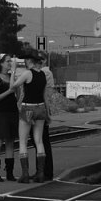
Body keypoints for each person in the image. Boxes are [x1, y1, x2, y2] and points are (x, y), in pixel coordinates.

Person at [12, 49, 50, 183]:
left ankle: (25, 174)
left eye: (26, 60)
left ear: (29, 61)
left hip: (28, 108)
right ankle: (40, 174)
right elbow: (45, 96)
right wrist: (48, 111)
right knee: (39, 141)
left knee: (23, 141)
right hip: (40, 108)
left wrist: (13, 70)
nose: (25, 62)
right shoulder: (43, 75)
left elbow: (13, 86)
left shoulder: (28, 73)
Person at [0, 53, 19, 182]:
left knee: (10, 142)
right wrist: (8, 91)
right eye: (7, 61)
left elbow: (17, 93)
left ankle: (10, 172)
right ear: (1, 63)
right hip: (0, 114)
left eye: (10, 61)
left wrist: (14, 76)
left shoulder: (11, 77)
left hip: (12, 112)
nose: (9, 63)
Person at [38, 51, 55, 181]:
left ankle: (45, 171)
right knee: (40, 141)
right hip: (40, 108)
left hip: (42, 108)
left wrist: (48, 112)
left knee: (42, 141)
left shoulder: (45, 73)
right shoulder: (42, 72)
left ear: (43, 61)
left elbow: (46, 95)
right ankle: (41, 170)